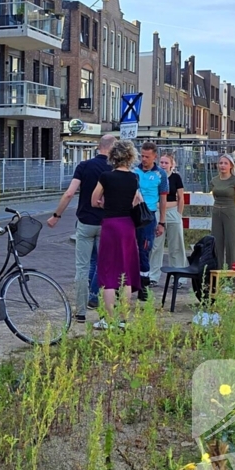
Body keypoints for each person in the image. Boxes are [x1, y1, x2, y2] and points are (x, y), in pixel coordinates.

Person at [48, 134, 117, 322]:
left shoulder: (84, 166)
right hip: (107, 224)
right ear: (113, 149)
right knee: (105, 267)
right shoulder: (115, 169)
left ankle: (80, 312)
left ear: (98, 146)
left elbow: (69, 193)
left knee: (82, 268)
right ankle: (104, 312)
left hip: (86, 222)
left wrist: (56, 216)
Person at [90, 140, 143, 329]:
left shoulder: (106, 177)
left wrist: (106, 204)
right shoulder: (134, 178)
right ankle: (123, 319)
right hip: (127, 226)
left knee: (108, 272)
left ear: (113, 156)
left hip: (110, 225)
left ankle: (108, 319)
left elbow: (94, 200)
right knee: (126, 272)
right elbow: (136, 201)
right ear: (130, 157)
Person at [132, 141, 169, 296]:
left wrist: (162, 222)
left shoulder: (160, 174)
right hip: (133, 214)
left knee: (145, 249)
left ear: (155, 157)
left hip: (148, 217)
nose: (144, 159)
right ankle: (128, 283)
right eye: (142, 156)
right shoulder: (134, 171)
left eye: (147, 157)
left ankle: (144, 286)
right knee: (130, 249)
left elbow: (163, 199)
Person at [209, 153, 235, 269]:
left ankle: (233, 272)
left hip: (230, 212)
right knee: (216, 241)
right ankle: (218, 270)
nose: (222, 165)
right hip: (217, 211)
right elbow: (214, 195)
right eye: (221, 163)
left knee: (231, 242)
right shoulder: (214, 180)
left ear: (231, 166)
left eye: (225, 163)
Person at [159, 154, 188, 272]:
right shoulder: (155, 176)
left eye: (166, 163)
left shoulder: (176, 177)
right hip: (158, 211)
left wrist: (179, 214)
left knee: (176, 246)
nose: (163, 165)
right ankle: (153, 276)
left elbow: (181, 197)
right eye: (161, 162)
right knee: (156, 246)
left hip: (172, 212)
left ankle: (179, 273)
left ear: (171, 165)